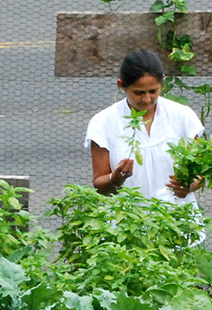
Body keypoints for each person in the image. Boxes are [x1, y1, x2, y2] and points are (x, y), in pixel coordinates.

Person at [87, 49, 204, 203]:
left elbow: (201, 172)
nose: (147, 99)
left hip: (177, 216)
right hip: (128, 218)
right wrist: (115, 178)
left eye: (153, 91)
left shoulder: (182, 116)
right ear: (121, 85)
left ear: (163, 81)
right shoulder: (103, 122)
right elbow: (99, 185)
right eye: (138, 92)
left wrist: (189, 185)